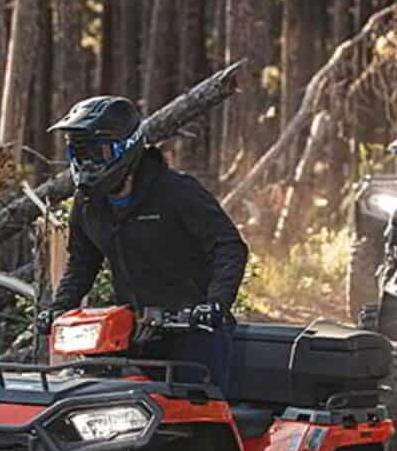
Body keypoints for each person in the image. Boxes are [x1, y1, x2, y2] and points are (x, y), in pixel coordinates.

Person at [37, 95, 248, 388]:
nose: (88, 163)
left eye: (98, 153)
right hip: (132, 333)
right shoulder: (88, 204)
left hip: (195, 333)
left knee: (192, 418)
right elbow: (82, 261)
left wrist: (215, 304)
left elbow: (228, 246)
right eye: (79, 154)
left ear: (127, 148)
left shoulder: (176, 191)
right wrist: (59, 309)